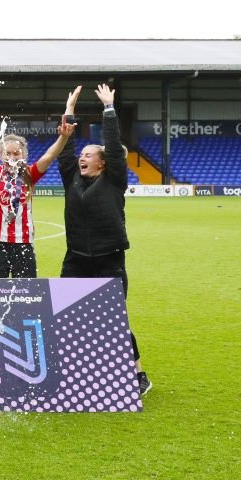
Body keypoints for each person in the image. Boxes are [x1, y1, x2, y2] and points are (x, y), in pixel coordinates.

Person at [58, 84, 150, 395]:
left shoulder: (114, 180)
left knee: (114, 318)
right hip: (76, 258)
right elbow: (66, 148)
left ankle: (138, 374)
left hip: (109, 257)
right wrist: (69, 111)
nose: (82, 158)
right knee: (66, 314)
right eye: (81, 155)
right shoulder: (71, 178)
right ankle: (74, 372)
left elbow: (112, 145)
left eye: (88, 155)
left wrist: (109, 109)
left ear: (102, 162)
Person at [0, 96, 76, 277]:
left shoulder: (29, 174)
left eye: (16, 153)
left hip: (23, 242)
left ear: (24, 154)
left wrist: (63, 138)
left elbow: (49, 156)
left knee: (27, 290)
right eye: (8, 153)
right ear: (1, 154)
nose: (12, 156)